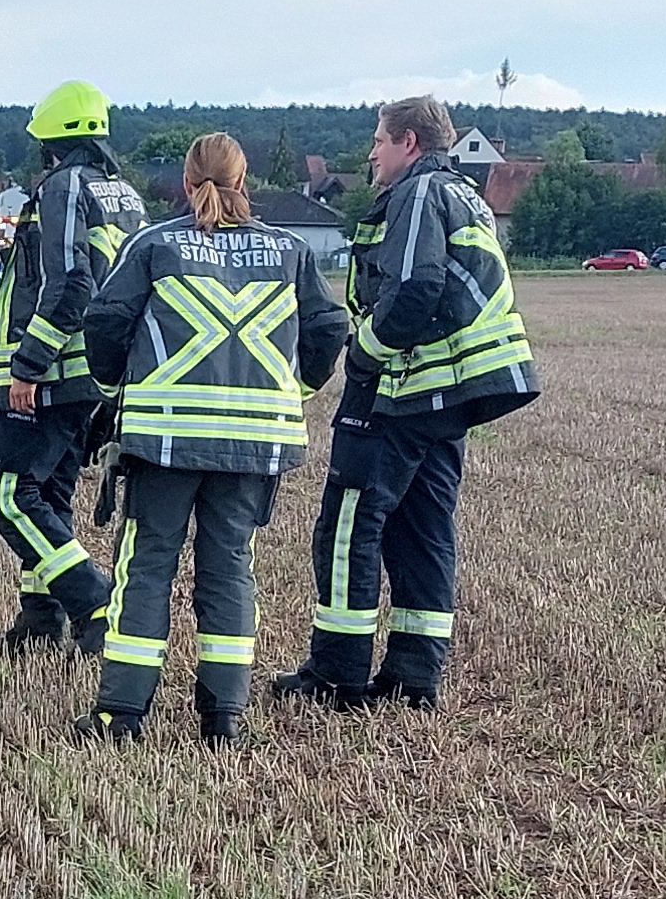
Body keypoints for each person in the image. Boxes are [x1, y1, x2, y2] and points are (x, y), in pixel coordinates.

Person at [268, 94, 540, 712]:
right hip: (449, 397)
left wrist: (363, 352)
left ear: (409, 143)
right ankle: (415, 679)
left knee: (347, 527)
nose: (370, 153)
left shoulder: (418, 195)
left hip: (403, 391)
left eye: (379, 140)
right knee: (423, 531)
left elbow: (418, 285)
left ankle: (337, 675)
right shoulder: (463, 193)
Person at [74, 134, 345, 743]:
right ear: (243, 180)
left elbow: (106, 320)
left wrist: (113, 385)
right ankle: (224, 718)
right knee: (229, 571)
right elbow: (330, 328)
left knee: (146, 567)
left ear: (186, 182)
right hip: (254, 442)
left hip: (164, 437)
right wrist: (294, 387)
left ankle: (121, 716)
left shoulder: (155, 244)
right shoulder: (292, 250)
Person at [0, 81, 149, 660]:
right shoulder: (123, 193)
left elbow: (68, 282)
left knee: (10, 494)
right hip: (101, 376)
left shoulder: (63, 187)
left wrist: (28, 366)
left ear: (49, 141)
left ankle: (91, 602)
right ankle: (39, 620)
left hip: (54, 374)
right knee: (49, 495)